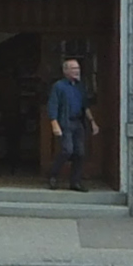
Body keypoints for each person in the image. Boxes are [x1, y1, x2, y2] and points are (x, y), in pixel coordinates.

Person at [47, 57, 100, 192]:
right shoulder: (58, 86)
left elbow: (85, 106)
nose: (77, 71)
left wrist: (92, 122)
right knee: (67, 150)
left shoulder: (80, 87)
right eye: (74, 69)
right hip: (65, 122)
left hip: (78, 123)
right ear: (65, 71)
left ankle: (75, 182)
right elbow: (53, 106)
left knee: (80, 153)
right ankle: (53, 175)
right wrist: (54, 124)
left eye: (78, 69)